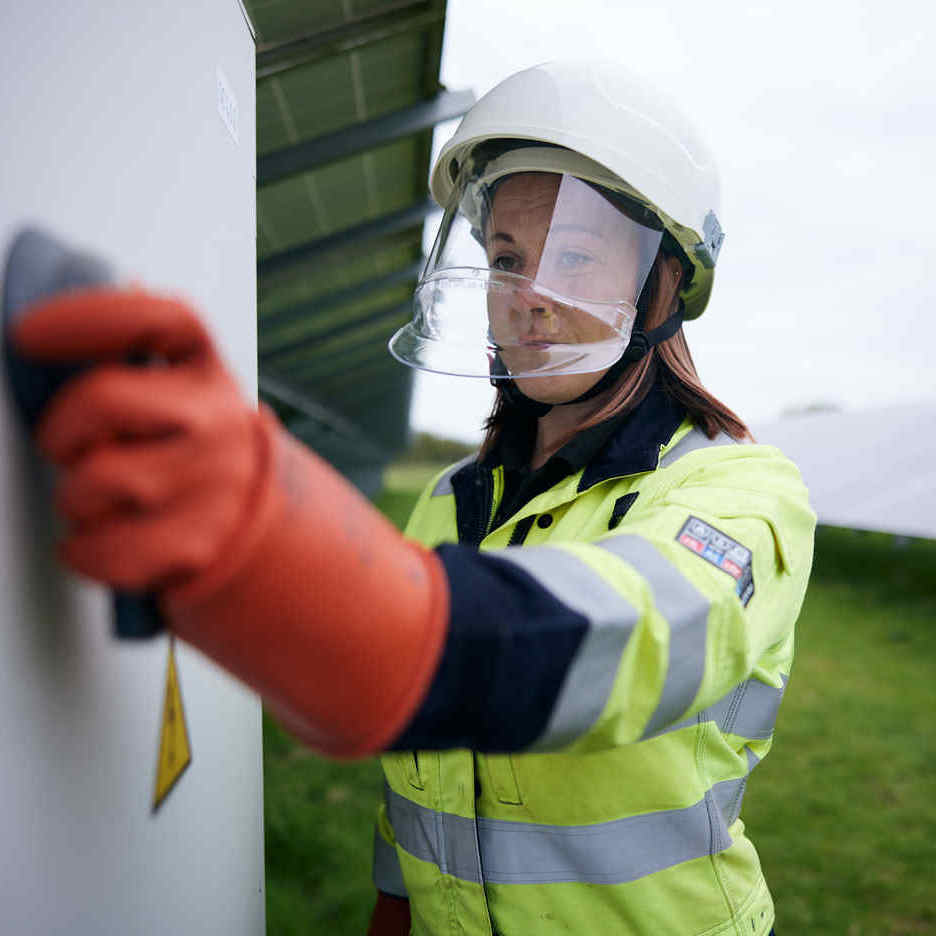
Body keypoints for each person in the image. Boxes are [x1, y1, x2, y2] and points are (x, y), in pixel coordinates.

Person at [11, 61, 813, 936]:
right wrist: (397, 903)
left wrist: (279, 552)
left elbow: (631, 643)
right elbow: (430, 780)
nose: (530, 296)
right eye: (508, 258)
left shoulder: (740, 490)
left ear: (660, 289)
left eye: (575, 257)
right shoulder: (449, 497)